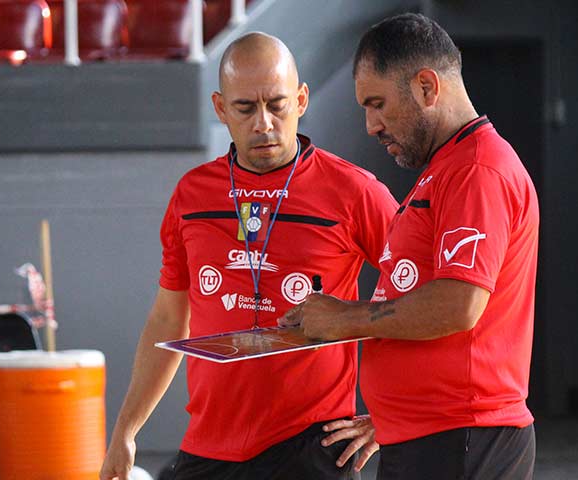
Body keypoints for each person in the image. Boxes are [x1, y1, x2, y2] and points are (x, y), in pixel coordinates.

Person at [100, 32, 397, 480]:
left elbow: (421, 303)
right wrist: (126, 430)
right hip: (210, 446)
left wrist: (388, 416)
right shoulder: (191, 195)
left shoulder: (356, 192)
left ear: (300, 100)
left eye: (277, 104)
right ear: (220, 109)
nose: (263, 123)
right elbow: (167, 318)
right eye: (245, 108)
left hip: (311, 447)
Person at [280, 13, 539, 480]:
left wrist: (343, 318)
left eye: (377, 104)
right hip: (431, 439)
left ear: (425, 87)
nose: (370, 125)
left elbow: (459, 305)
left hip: (461, 440)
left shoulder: (477, 170)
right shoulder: (446, 170)